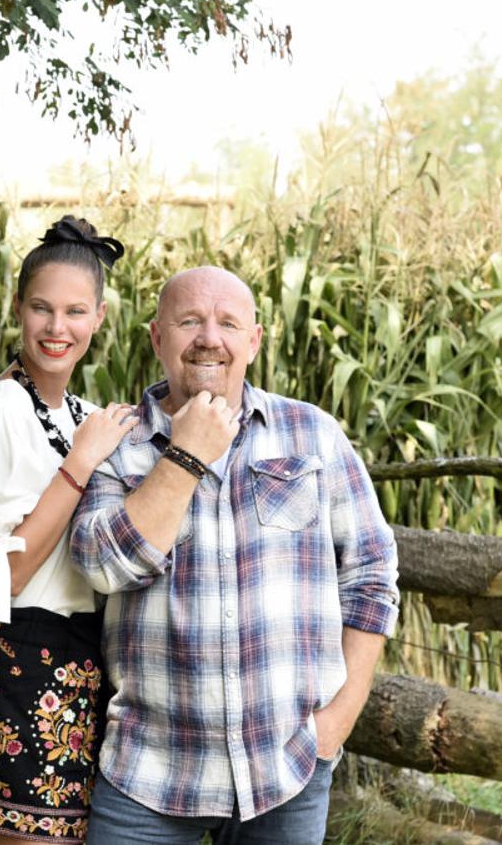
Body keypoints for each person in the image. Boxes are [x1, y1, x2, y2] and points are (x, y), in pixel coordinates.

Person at [69, 266, 400, 844]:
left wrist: (335, 723)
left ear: (254, 340)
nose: (209, 338)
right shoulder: (117, 444)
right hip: (149, 769)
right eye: (189, 321)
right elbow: (102, 566)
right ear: (157, 337)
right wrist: (185, 457)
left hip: (287, 768)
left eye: (228, 323)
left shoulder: (312, 434)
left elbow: (371, 575)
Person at [0, 216, 139, 844]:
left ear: (99, 317)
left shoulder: (82, 415)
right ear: (18, 308)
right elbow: (10, 572)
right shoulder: (4, 407)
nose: (58, 328)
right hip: (20, 658)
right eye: (42, 308)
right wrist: (80, 463)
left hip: (81, 662)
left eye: (75, 311)